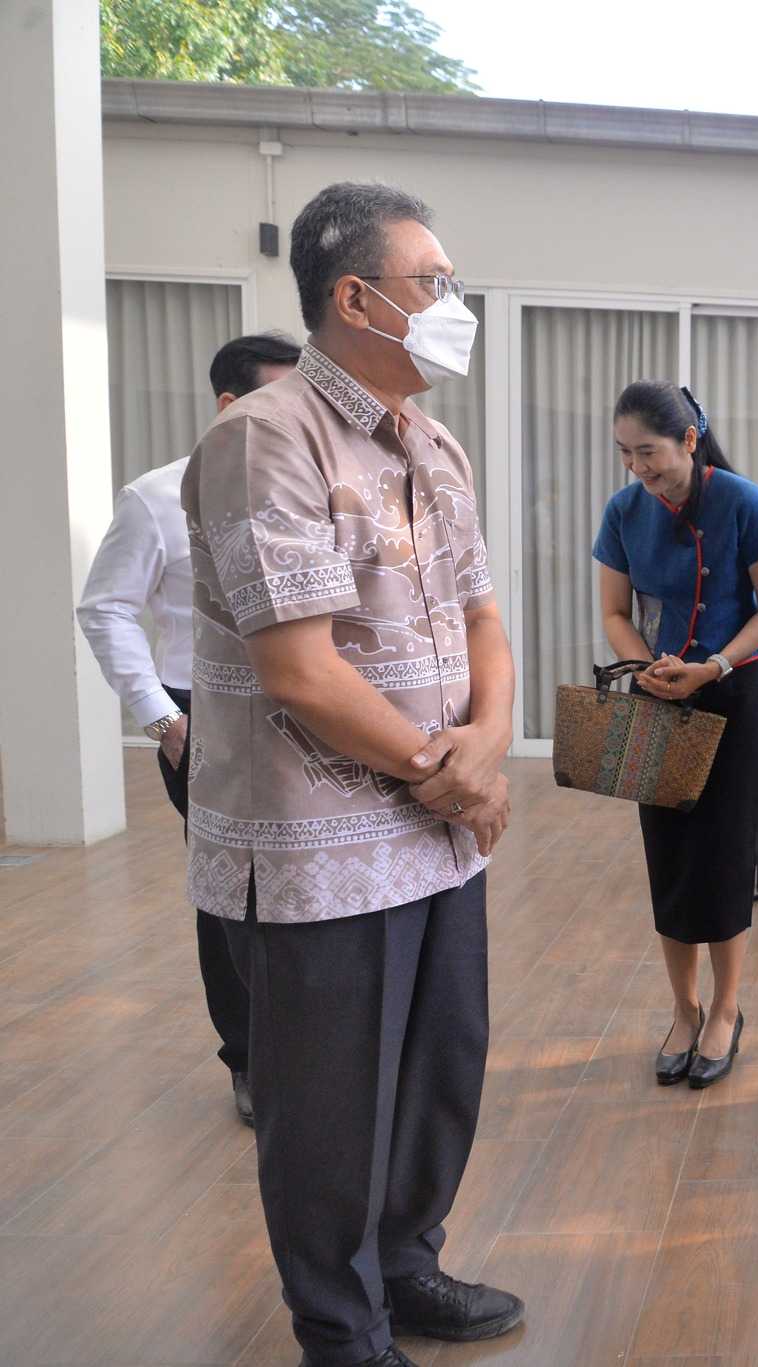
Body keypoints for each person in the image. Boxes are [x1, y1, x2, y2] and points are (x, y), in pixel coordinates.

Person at [184, 182, 521, 1367]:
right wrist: (454, 770)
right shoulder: (263, 438)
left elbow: (485, 617)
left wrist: (486, 748)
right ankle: (342, 1328)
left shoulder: (433, 441)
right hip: (318, 844)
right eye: (435, 284)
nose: (451, 305)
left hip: (436, 831)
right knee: (326, 1109)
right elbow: (299, 669)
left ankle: (409, 1262)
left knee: (442, 1061)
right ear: (355, 295)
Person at [77, 331, 300, 1127]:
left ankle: (304, 1051)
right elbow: (105, 609)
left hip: (296, 708)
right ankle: (246, 1057)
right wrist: (161, 719)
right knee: (229, 894)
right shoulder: (155, 497)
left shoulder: (300, 490)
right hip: (196, 714)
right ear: (230, 406)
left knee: (301, 885)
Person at [594, 381, 758, 1088]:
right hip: (659, 689)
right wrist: (653, 667)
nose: (636, 468)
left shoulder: (743, 501)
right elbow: (616, 611)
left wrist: (711, 664)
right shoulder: (623, 512)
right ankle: (684, 1007)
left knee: (727, 852)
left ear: (687, 440)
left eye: (647, 451)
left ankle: (726, 1010)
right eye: (625, 454)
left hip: (734, 689)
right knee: (670, 856)